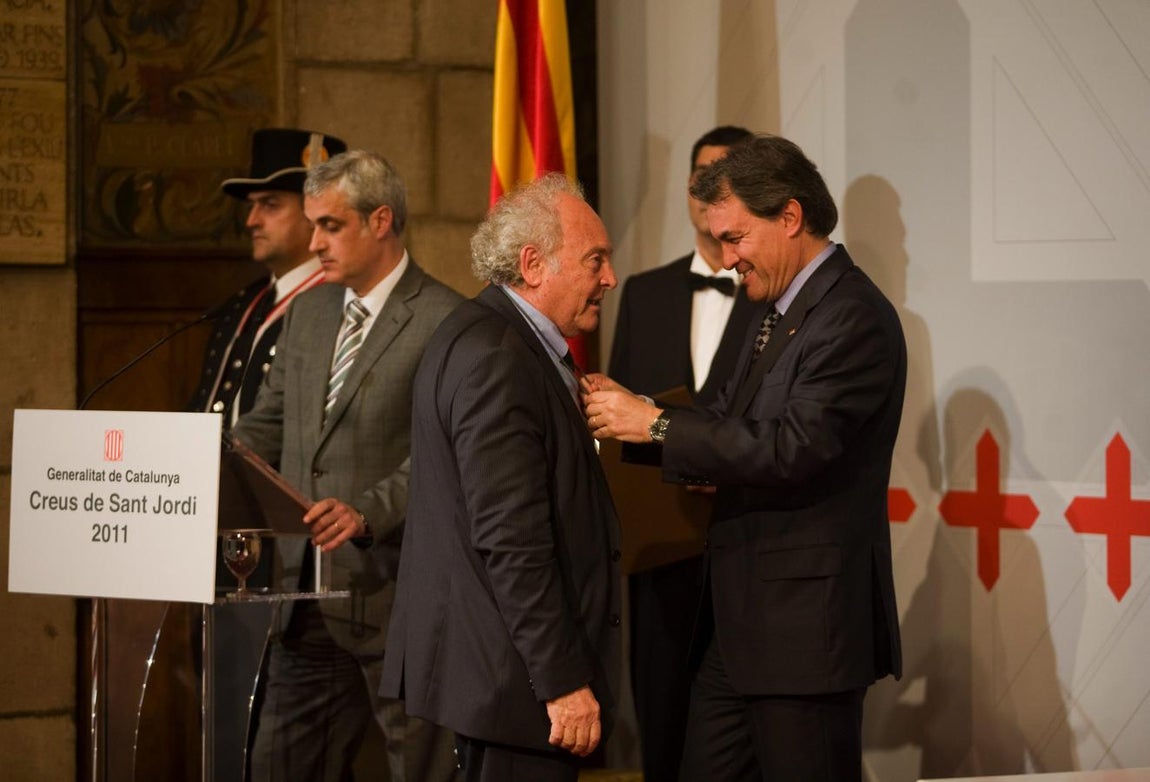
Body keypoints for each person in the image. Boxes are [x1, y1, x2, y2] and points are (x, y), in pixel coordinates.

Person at [584, 134, 905, 781]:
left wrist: (655, 423)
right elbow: (726, 425)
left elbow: (792, 446)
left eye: (735, 238)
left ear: (790, 217)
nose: (725, 259)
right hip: (737, 630)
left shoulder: (852, 316)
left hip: (804, 638)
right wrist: (636, 417)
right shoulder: (776, 311)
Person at [381, 173, 623, 782]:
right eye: (595, 260)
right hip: (515, 689)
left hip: (503, 680)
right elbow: (512, 541)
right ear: (534, 264)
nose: (609, 279)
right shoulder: (497, 357)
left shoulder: (491, 337)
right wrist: (563, 680)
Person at [231, 149, 463, 782]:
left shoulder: (447, 319)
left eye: (330, 226)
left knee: (419, 767)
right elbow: (270, 423)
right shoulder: (309, 313)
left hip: (392, 592)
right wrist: (194, 459)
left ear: (380, 220)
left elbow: (445, 455)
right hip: (301, 595)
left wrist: (368, 512)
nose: (314, 243)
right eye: (312, 226)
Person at [606, 124, 755, 782]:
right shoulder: (644, 292)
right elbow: (615, 422)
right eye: (699, 174)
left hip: (745, 550)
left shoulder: (774, 296)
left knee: (741, 740)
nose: (707, 189)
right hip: (659, 554)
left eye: (725, 174)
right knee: (663, 728)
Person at [190, 127, 346, 426]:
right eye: (252, 206)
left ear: (315, 214)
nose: (252, 221)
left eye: (270, 205)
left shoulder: (339, 307)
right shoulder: (242, 304)